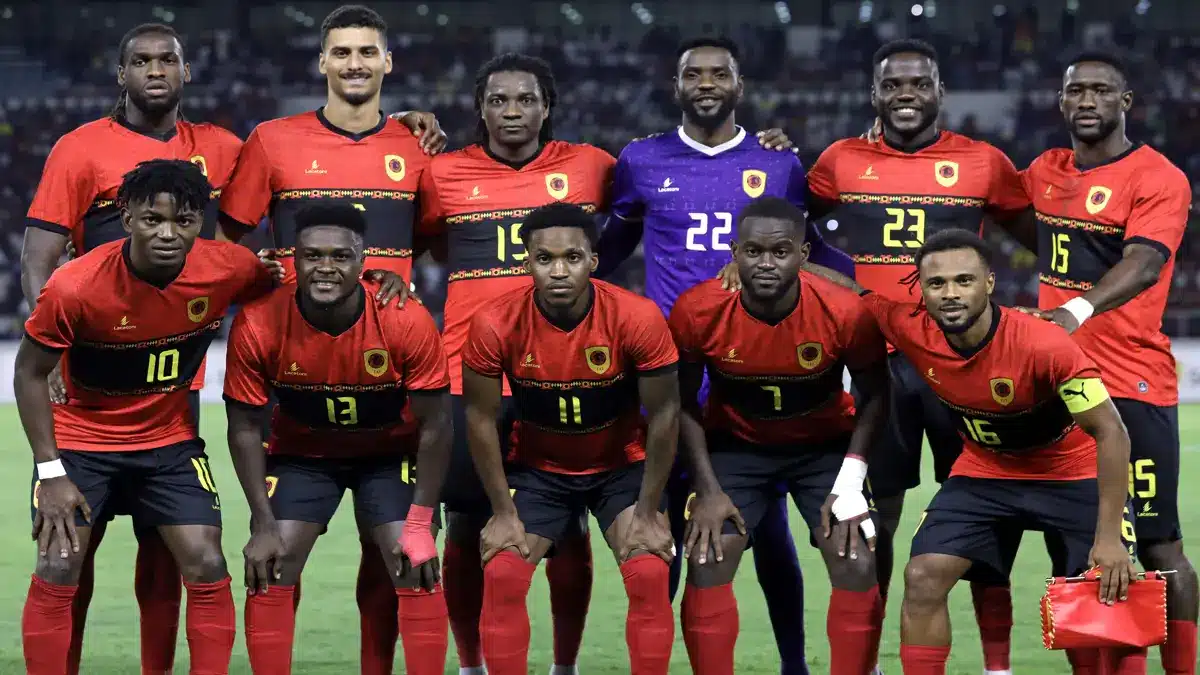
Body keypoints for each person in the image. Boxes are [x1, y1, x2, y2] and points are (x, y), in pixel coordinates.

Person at [717, 38, 1035, 673]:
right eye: (894, 85)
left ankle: (998, 663)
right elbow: (786, 221)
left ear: (939, 91)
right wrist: (770, 152)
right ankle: (868, 658)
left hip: (961, 362)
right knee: (876, 514)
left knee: (987, 506)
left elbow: (1034, 238)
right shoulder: (840, 161)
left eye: (919, 84)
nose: (907, 95)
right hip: (876, 364)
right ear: (875, 94)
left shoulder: (984, 163)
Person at [596, 36, 855, 674]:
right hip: (669, 375)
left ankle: (794, 663)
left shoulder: (780, 164)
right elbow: (607, 251)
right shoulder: (639, 160)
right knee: (672, 534)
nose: (706, 82)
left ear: (739, 84)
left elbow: (814, 248)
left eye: (719, 73)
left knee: (767, 533)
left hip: (755, 367)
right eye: (693, 73)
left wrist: (886, 294)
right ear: (675, 84)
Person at [216, 6, 447, 671]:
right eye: (341, 52)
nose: (354, 64)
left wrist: (395, 288)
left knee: (395, 556)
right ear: (322, 62)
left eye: (366, 53)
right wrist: (267, 296)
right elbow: (232, 246)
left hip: (388, 373)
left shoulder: (415, 146)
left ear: (387, 64)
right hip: (300, 377)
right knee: (278, 555)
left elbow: (430, 244)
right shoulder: (272, 140)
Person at [809, 229, 1137, 675]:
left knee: (1107, 588)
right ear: (919, 288)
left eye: (964, 280)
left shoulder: (1044, 344)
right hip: (984, 473)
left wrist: (1109, 538)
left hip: (1070, 473)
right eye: (936, 283)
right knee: (922, 576)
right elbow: (853, 290)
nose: (950, 293)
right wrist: (780, 263)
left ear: (989, 283)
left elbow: (1112, 433)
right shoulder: (910, 327)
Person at [18, 24, 243, 672]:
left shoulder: (222, 150)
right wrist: (54, 350)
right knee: (69, 555)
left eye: (166, 59)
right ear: (120, 74)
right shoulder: (80, 149)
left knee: (167, 549)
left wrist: (399, 121)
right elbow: (41, 259)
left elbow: (291, 186)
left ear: (186, 71)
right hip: (88, 390)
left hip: (173, 393)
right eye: (139, 61)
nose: (154, 71)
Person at [1023, 50, 1198, 674]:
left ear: (1125, 102)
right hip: (1058, 389)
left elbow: (1145, 263)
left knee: (1157, 545)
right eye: (1077, 91)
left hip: (1132, 384)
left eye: (1102, 91)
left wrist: (1076, 310)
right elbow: (997, 209)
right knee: (1072, 547)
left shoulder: (1158, 176)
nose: (1088, 101)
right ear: (1061, 102)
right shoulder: (1044, 171)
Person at [223, 203, 453, 675]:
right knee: (271, 564)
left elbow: (436, 426)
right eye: (311, 256)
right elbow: (245, 428)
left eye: (339, 257)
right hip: (304, 456)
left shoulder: (405, 319)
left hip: (388, 455)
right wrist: (262, 524)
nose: (325, 268)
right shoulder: (259, 321)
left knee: (413, 561)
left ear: (362, 260)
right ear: (294, 259)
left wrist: (420, 523)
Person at [668, 197, 888, 675]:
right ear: (734, 252)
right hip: (736, 448)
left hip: (823, 450)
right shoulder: (697, 310)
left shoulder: (845, 311)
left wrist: (850, 484)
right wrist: (706, 491)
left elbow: (875, 397)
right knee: (708, 554)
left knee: (854, 557)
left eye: (781, 251)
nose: (766, 263)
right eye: (752, 251)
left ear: (804, 254)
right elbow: (680, 404)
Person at [462, 202, 679, 675]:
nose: (559, 271)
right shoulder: (494, 322)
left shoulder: (636, 317)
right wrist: (501, 512)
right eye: (545, 259)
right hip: (540, 469)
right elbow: (480, 418)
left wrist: (647, 511)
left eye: (572, 258)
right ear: (526, 261)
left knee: (648, 570)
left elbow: (664, 413)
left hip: (620, 466)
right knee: (501, 573)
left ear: (593, 261)